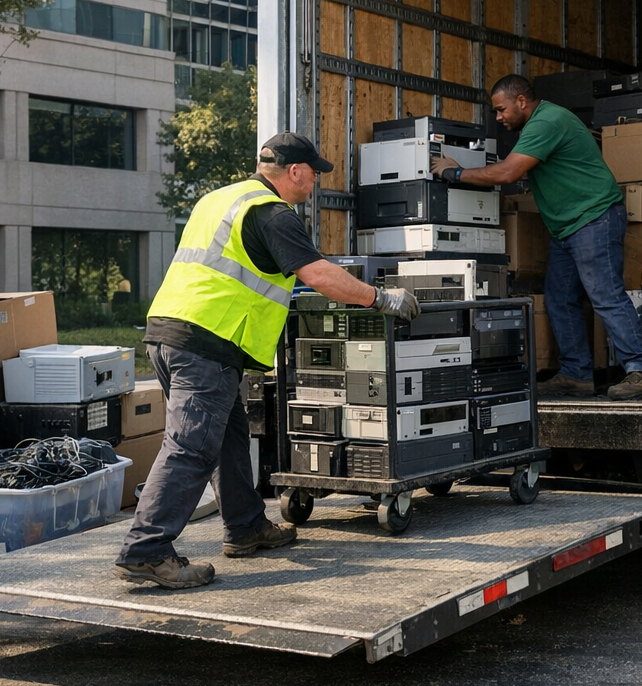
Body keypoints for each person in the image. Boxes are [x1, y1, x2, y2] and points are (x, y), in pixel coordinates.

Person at [114, 131, 421, 590]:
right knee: (190, 448)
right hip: (207, 341)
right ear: (295, 172)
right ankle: (146, 550)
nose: (315, 182)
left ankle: (246, 527)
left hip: (171, 331)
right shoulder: (273, 213)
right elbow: (317, 274)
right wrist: (381, 298)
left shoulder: (221, 199)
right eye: (314, 174)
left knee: (229, 437)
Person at [433, 75, 642, 401]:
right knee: (559, 299)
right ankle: (576, 375)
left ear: (521, 101)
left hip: (593, 219)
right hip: (568, 228)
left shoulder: (547, 122)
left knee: (605, 296)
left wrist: (453, 172)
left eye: (501, 110)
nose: (498, 117)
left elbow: (508, 172)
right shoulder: (536, 126)